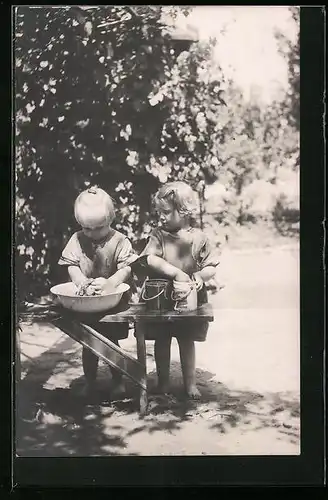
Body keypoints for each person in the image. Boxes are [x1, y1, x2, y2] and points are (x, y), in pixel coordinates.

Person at [135, 181, 221, 399]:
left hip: (188, 300)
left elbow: (211, 266)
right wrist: (174, 273)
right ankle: (163, 382)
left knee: (186, 340)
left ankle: (190, 384)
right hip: (162, 301)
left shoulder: (199, 238)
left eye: (165, 212)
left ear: (183, 211)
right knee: (161, 340)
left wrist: (200, 276)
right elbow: (150, 259)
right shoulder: (158, 235)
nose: (161, 217)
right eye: (159, 212)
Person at [58, 186, 137, 398]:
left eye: (98, 228)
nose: (92, 233)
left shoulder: (119, 240)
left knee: (111, 342)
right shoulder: (76, 239)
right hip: (86, 302)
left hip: (112, 302)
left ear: (111, 219)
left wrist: (111, 282)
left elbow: (127, 268)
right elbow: (71, 265)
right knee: (88, 343)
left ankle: (118, 381)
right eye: (86, 228)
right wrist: (81, 281)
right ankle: (90, 381)